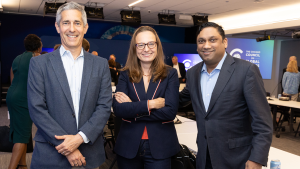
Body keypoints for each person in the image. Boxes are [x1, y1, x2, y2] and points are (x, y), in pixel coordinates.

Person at [27, 2, 112, 169]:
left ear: (85, 27)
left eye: (77, 23)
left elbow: (104, 106)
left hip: (89, 155)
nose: (72, 29)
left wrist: (79, 138)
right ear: (57, 27)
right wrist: (68, 148)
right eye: (66, 23)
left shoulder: (101, 65)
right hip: (50, 155)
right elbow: (36, 108)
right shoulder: (39, 64)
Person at [179, 22, 273, 169]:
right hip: (204, 157)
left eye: (212, 40)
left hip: (237, 158)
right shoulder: (193, 73)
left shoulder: (246, 70)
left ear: (225, 42)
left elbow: (263, 122)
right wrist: (143, 100)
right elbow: (179, 100)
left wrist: (257, 158)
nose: (206, 45)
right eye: (201, 41)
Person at [113, 26, 180, 169]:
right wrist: (150, 104)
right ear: (135, 48)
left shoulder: (170, 74)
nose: (146, 49)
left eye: (151, 44)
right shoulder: (125, 74)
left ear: (157, 46)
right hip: (128, 145)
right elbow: (119, 110)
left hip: (160, 146)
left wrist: (133, 107)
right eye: (141, 45)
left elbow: (170, 112)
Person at [6, 34, 42, 169]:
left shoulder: (17, 58)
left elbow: (12, 77)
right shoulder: (37, 58)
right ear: (39, 46)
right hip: (24, 99)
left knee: (19, 131)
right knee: (22, 135)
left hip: (12, 96)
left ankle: (22, 165)